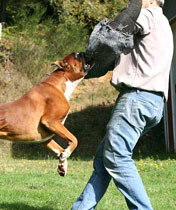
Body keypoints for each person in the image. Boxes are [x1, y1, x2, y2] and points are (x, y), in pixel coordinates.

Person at [72, 0, 173, 209]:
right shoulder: (164, 23)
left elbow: (117, 29)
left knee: (116, 157)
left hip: (136, 99)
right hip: (154, 104)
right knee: (103, 161)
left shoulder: (149, 16)